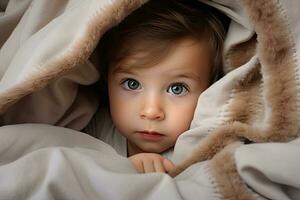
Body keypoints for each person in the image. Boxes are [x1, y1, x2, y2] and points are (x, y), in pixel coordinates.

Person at [87, 0, 227, 174]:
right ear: (106, 80)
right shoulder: (92, 129)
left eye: (177, 88)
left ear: (210, 89)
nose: (151, 112)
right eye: (132, 84)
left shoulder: (201, 151)